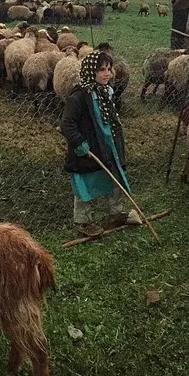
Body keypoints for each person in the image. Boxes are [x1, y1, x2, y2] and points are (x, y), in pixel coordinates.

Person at [60, 51, 130, 237]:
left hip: (108, 145)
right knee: (86, 183)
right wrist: (79, 144)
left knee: (114, 177)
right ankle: (85, 222)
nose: (107, 74)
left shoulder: (106, 92)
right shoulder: (79, 96)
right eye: (101, 70)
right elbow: (67, 123)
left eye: (109, 69)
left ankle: (116, 213)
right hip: (89, 148)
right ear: (91, 71)